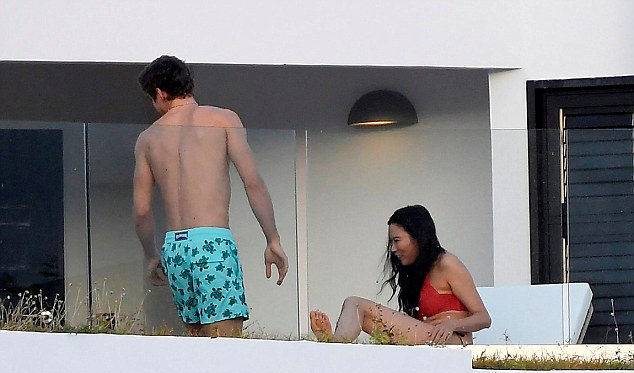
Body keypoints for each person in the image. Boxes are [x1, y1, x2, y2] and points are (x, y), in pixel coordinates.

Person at [134, 55, 288, 337]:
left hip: (175, 248)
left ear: (160, 93)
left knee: (196, 344)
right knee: (226, 345)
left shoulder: (147, 139)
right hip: (211, 243)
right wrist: (272, 238)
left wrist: (151, 255)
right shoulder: (222, 119)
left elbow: (142, 210)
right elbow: (252, 182)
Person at [310, 205, 490, 345]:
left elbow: (484, 317)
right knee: (359, 311)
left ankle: (334, 347)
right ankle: (334, 344)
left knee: (355, 303)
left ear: (417, 237)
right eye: (391, 243)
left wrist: (452, 325)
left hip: (453, 340)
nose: (393, 249)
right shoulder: (417, 270)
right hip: (427, 336)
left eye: (397, 241)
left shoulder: (447, 263)